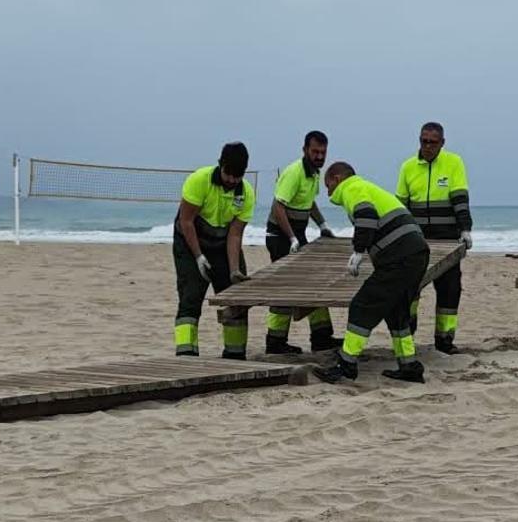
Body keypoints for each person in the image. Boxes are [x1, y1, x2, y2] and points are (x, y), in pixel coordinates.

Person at [315, 162, 428, 384]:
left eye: (328, 185)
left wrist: (358, 251)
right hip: (417, 253)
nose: (327, 192)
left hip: (400, 257)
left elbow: (366, 217)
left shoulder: (352, 188)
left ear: (337, 178)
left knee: (362, 305)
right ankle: (409, 366)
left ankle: (346, 364)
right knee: (397, 311)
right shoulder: (367, 187)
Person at [395, 122, 473, 353]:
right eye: (423, 141)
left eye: (433, 142)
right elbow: (400, 206)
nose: (427, 146)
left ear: (442, 143)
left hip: (447, 239)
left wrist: (465, 228)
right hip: (416, 240)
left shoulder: (454, 163)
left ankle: (445, 340)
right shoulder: (408, 167)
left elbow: (460, 198)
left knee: (450, 288)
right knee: (410, 288)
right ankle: (408, 333)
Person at [172, 142, 253, 360]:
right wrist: (198, 257)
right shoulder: (199, 180)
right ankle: (186, 354)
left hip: (222, 243)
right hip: (190, 241)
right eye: (228, 174)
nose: (231, 180)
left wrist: (234, 269)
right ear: (220, 165)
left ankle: (235, 354)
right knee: (190, 296)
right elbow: (186, 221)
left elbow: (235, 235)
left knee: (235, 296)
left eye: (237, 176)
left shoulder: (246, 193)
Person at [264, 130, 340, 356]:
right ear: (305, 150)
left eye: (322, 152)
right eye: (315, 151)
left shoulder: (315, 174)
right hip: (279, 236)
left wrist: (323, 225)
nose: (319, 156)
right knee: (284, 287)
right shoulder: (294, 172)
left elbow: (310, 203)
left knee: (315, 282)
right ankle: (275, 341)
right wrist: (292, 238)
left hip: (298, 234)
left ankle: (322, 337)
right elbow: (279, 207)